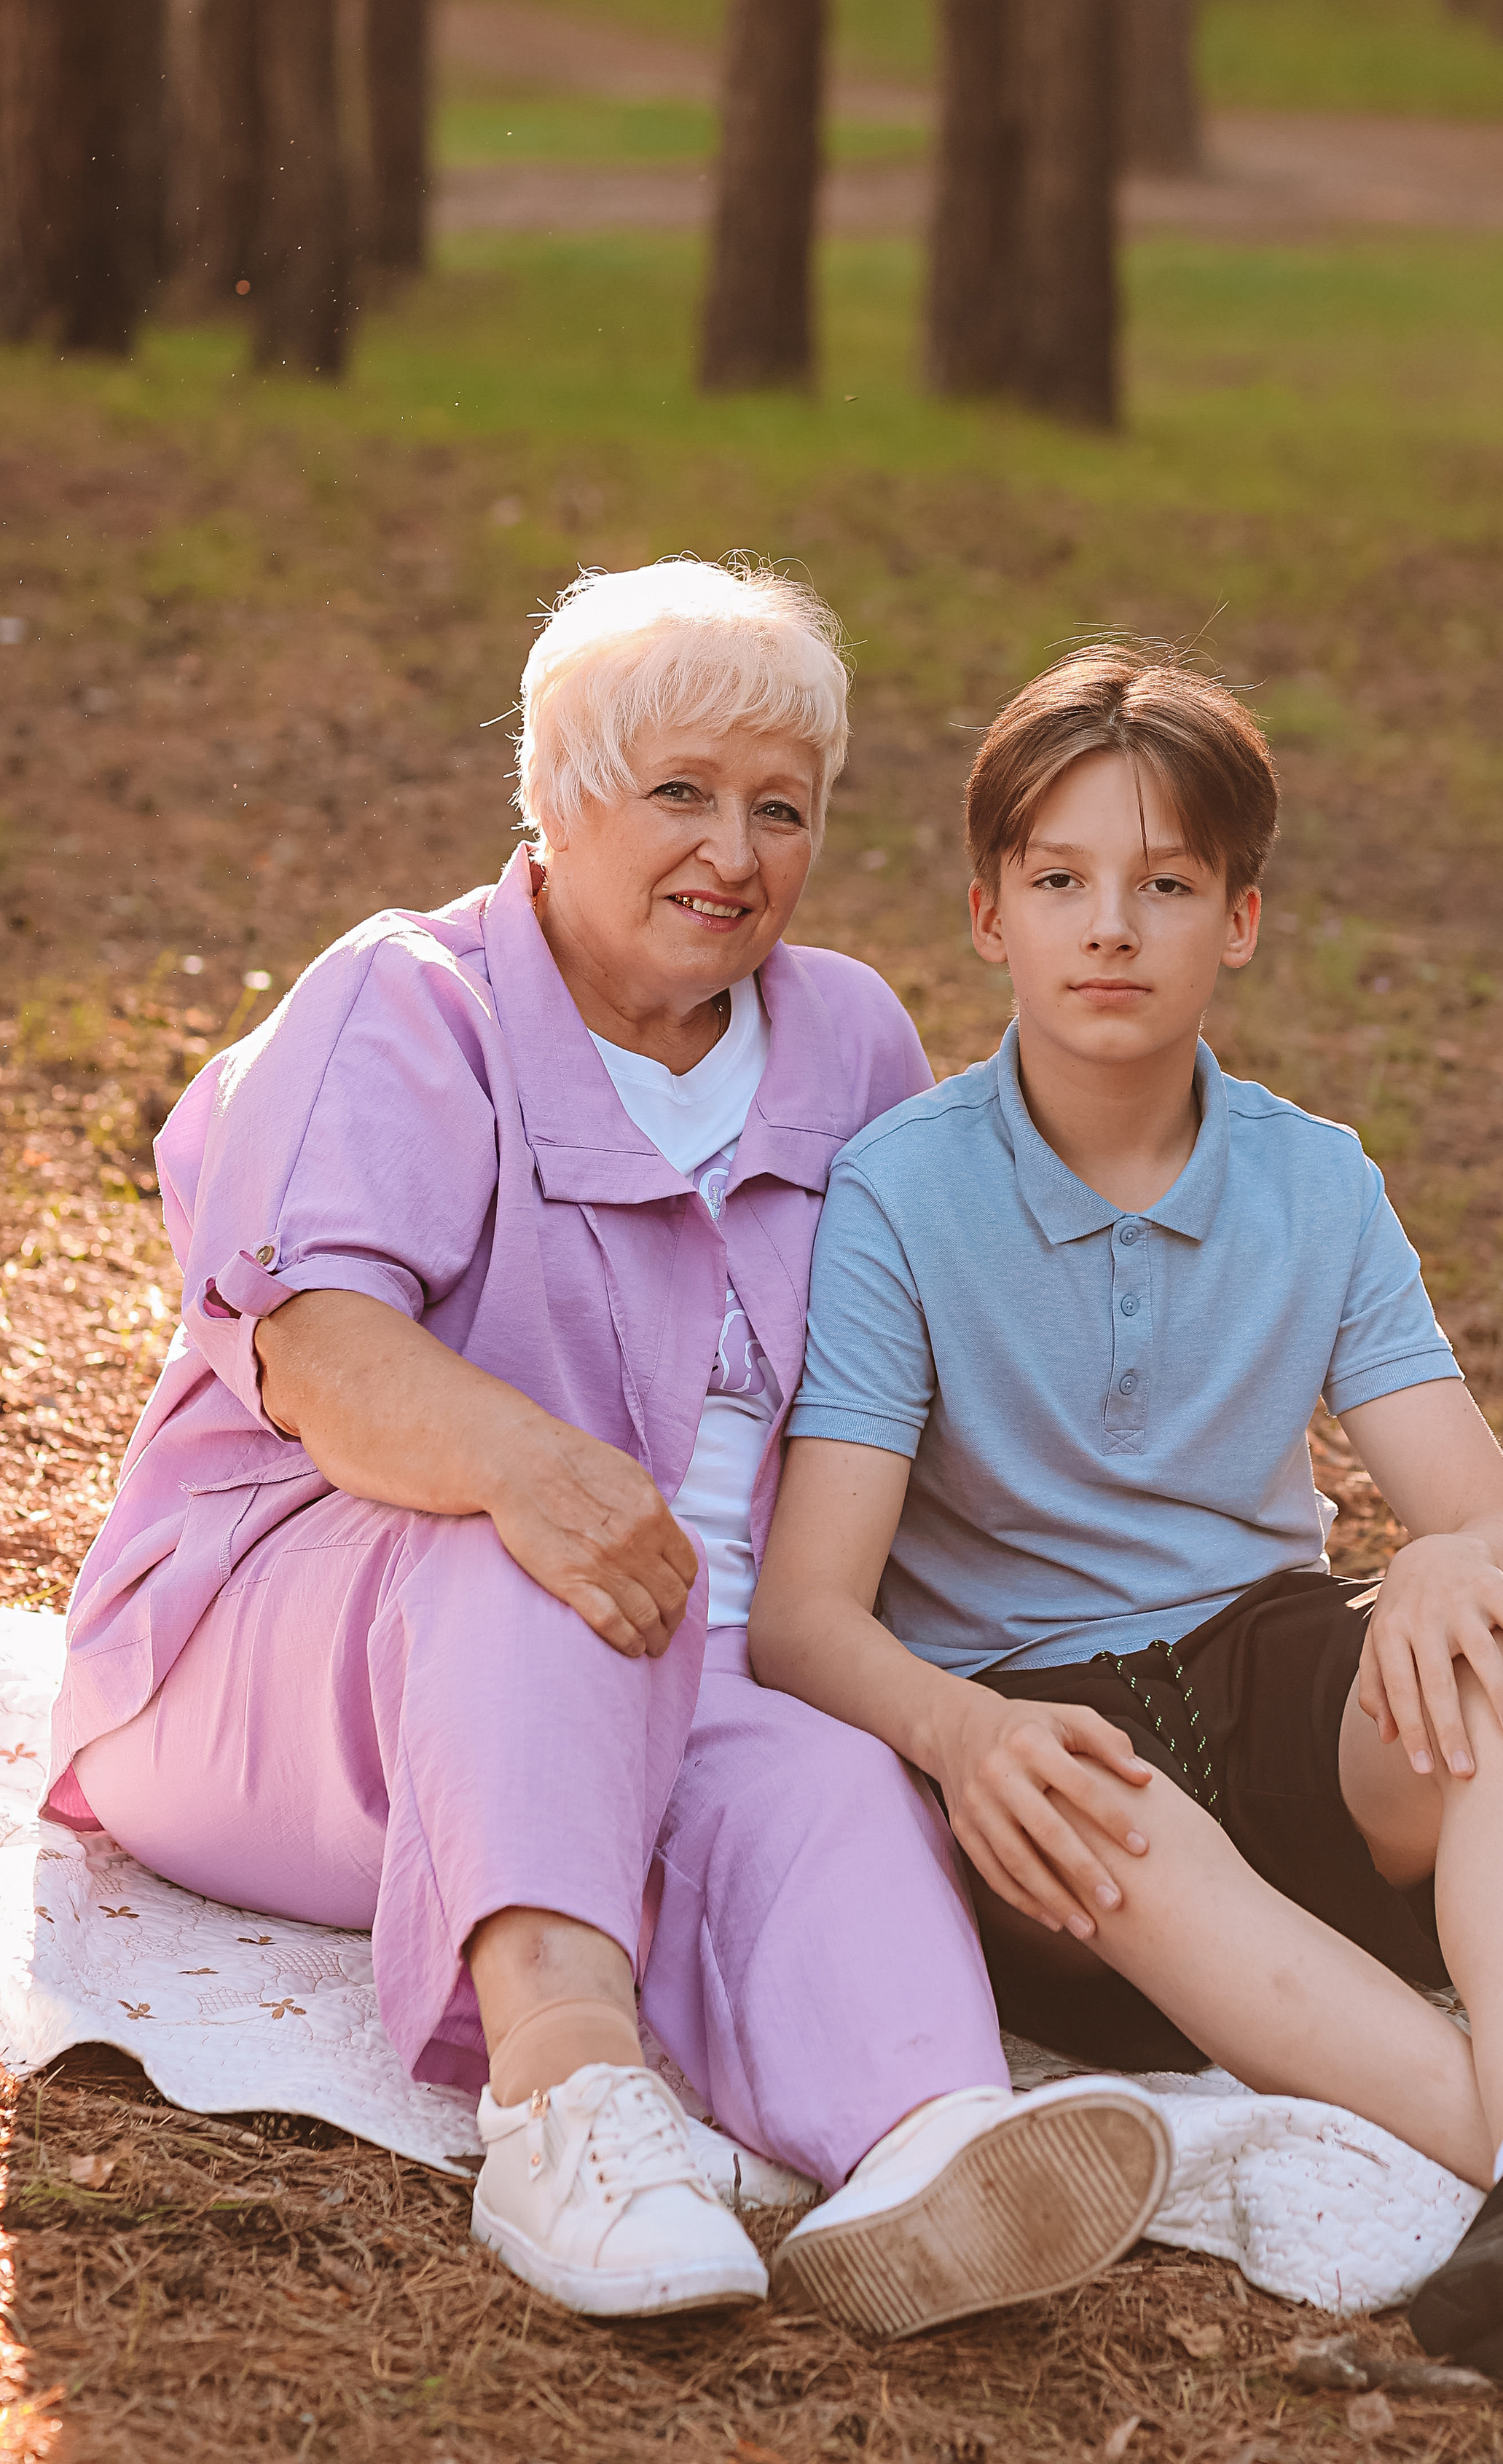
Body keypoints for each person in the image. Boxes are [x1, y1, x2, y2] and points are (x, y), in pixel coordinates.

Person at [44, 568, 1172, 2337]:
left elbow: (921, 1382)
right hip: (283, 1664)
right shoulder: (409, 1001)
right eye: (680, 793)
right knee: (548, 1538)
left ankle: (930, 2153)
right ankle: (564, 2103)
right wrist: (529, 1468)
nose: (733, 849)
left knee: (824, 1780)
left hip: (682, 1667)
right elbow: (315, 1350)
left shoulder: (850, 1040)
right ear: (555, 799)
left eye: (779, 808)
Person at [750, 642, 1503, 2415]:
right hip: (1054, 1769)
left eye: (1164, 886)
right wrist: (963, 1737)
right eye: (1059, 882)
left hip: (1270, 1692)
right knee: (1109, 1798)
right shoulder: (901, 1190)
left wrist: (1443, 1560)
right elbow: (802, 1613)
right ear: (985, 917)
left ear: (1237, 921)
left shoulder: (1313, 1181)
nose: (1108, 928)